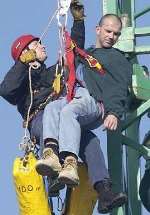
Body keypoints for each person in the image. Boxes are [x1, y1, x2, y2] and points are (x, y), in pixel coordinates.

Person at [0, 2, 127, 213]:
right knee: (46, 124)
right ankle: (53, 176)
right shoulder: (24, 80)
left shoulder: (53, 72)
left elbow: (73, 52)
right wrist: (23, 64)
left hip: (67, 115)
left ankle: (104, 191)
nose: (42, 46)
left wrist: (78, 22)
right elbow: (6, 91)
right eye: (37, 44)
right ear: (26, 52)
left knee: (91, 143)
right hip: (42, 118)